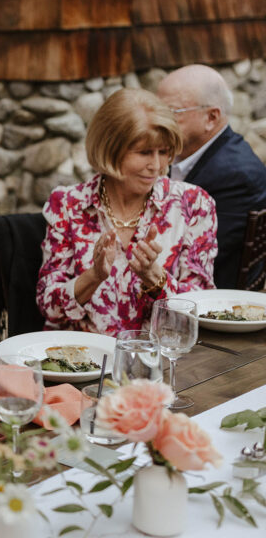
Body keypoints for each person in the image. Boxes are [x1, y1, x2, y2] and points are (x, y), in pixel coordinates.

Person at [37, 88, 218, 336]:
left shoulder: (194, 204)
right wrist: (93, 276)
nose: (156, 166)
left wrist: (155, 278)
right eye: (144, 152)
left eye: (164, 152)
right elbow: (48, 307)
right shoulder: (68, 205)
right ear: (110, 148)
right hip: (84, 362)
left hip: (162, 359)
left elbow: (204, 307)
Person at [156, 64, 266, 288]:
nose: (157, 121)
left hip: (206, 302)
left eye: (170, 112)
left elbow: (187, 258)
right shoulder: (176, 157)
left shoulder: (235, 176)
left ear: (211, 118)